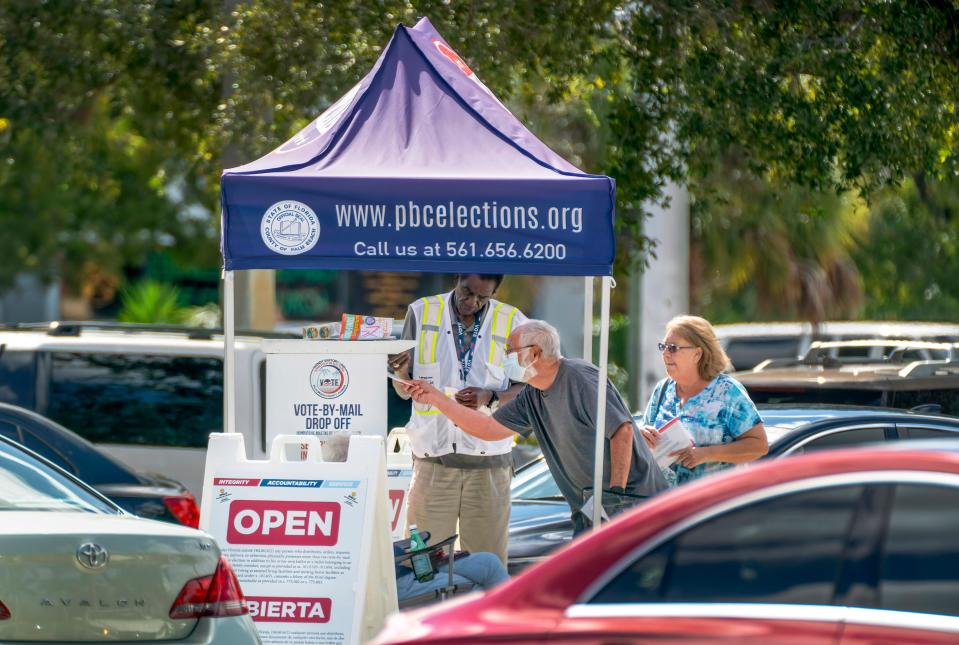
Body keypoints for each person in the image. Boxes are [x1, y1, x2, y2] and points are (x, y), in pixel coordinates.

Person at [404, 319, 668, 535]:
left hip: (632, 504)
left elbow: (621, 430)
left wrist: (615, 496)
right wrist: (435, 397)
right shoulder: (532, 394)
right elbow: (487, 429)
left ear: (535, 353)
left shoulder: (579, 377)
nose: (505, 358)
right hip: (592, 510)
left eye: (509, 351)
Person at [391, 274, 527, 565]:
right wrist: (401, 374)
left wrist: (490, 397)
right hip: (433, 461)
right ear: (457, 278)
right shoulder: (421, 312)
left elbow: (529, 387)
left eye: (482, 298)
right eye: (467, 292)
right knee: (421, 566)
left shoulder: (513, 320)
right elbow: (401, 389)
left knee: (487, 565)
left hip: (489, 464)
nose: (472, 303)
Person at [640, 315, 768, 486]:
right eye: (663, 347)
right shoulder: (663, 389)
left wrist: (706, 454)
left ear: (697, 354)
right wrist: (643, 434)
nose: (665, 354)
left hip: (714, 505)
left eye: (672, 348)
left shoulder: (727, 391)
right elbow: (644, 439)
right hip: (667, 505)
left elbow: (759, 446)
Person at [393, 544, 509, 602]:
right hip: (397, 580)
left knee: (489, 561)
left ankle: (515, 625)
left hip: (410, 566)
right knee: (479, 590)